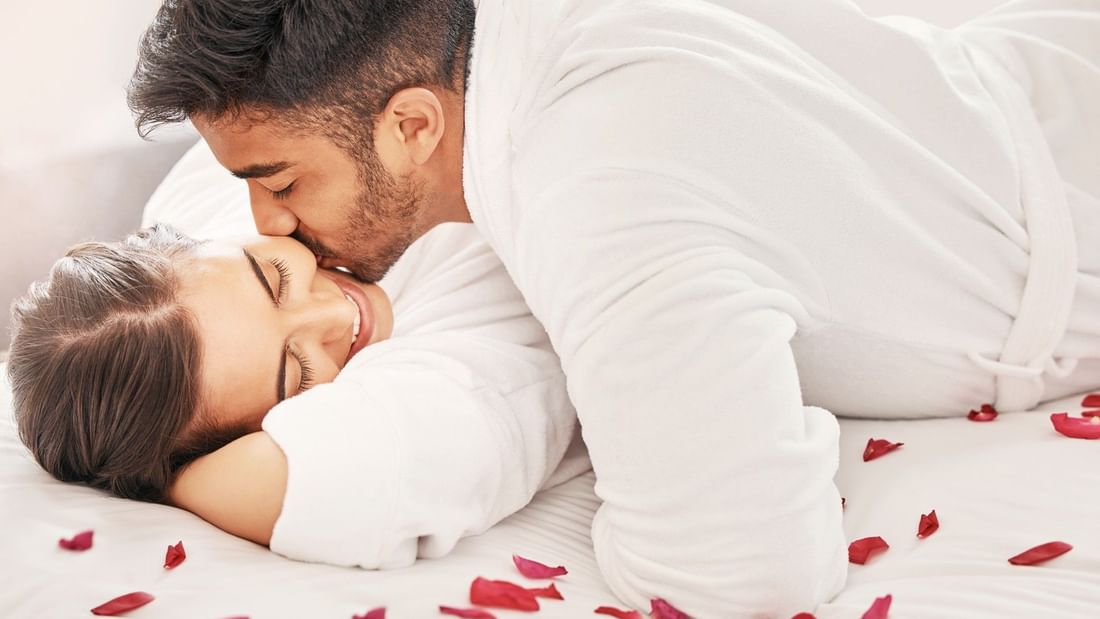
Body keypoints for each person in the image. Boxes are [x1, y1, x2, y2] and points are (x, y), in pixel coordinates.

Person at [126, 0, 1100, 615]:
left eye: (280, 181)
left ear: (411, 125)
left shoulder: (597, 193)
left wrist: (177, 470)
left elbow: (734, 579)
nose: (265, 226)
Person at [8, 222, 580, 565]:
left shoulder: (233, 198)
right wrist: (172, 477)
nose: (336, 311)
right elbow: (345, 475)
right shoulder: (463, 373)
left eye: (275, 277)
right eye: (298, 374)